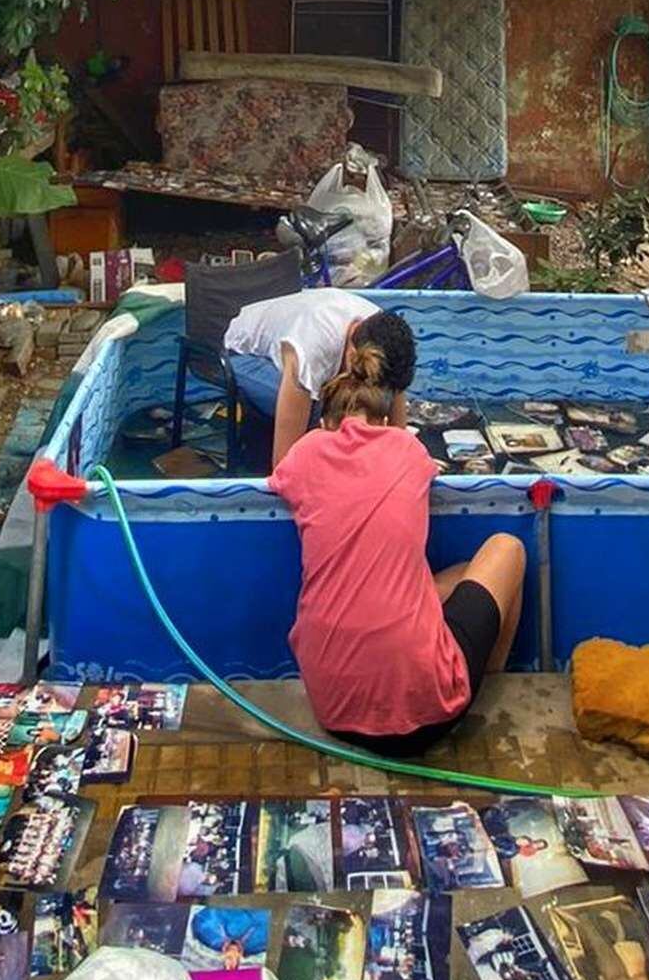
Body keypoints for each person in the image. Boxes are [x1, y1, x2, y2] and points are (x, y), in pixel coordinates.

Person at [268, 342, 526, 754]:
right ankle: (485, 677)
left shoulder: (306, 455)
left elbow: (277, 469)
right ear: (387, 419)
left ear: (325, 422)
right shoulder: (408, 451)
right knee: (506, 548)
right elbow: (398, 434)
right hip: (428, 713)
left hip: (332, 706)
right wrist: (397, 391)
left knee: (460, 575)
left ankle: (455, 660)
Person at [224, 287, 417, 467]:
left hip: (296, 333)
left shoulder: (383, 337)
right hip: (241, 354)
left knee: (358, 406)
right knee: (318, 413)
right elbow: (283, 465)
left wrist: (408, 460)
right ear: (352, 354)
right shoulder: (311, 350)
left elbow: (396, 405)